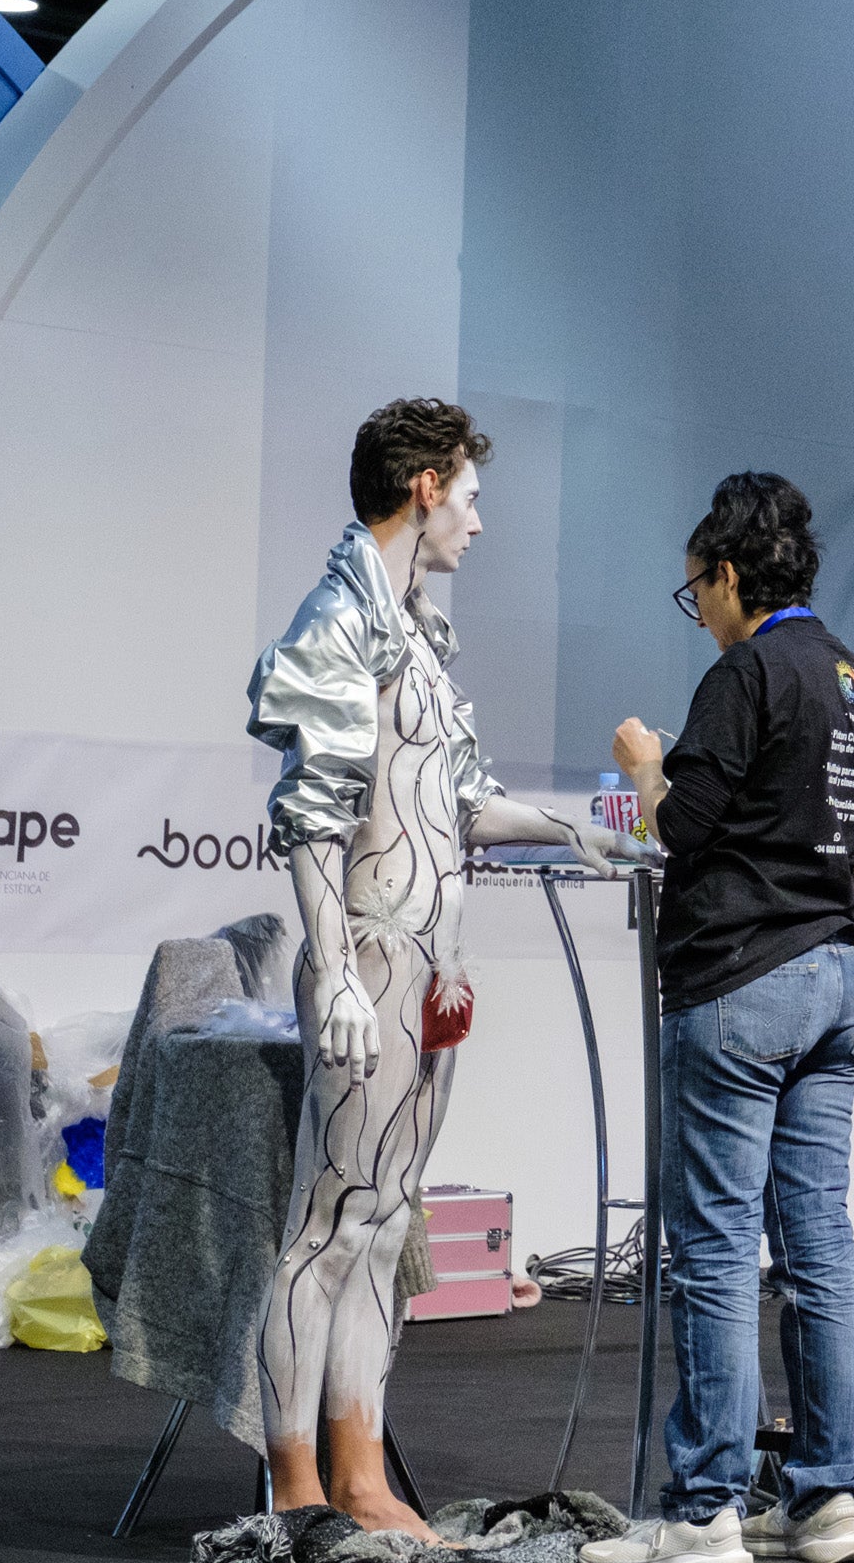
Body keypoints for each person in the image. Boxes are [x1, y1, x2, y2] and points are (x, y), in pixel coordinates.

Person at [246, 399, 647, 1540]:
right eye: (469, 492)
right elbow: (311, 812)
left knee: (381, 1224)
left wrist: (574, 831)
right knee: (327, 1226)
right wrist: (330, 972)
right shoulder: (341, 620)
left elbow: (455, 803)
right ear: (425, 485)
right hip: (368, 953)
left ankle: (362, 1472)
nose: (479, 516)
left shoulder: (415, 635)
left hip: (428, 970)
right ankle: (293, 1486)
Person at [593, 475, 854, 1563]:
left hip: (739, 982)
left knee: (718, 1248)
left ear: (729, 573)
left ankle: (705, 1511)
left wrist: (645, 768)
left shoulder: (746, 673)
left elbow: (682, 827)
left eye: (698, 592)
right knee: (819, 1246)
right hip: (838, 980)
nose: (702, 612)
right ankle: (825, 1499)